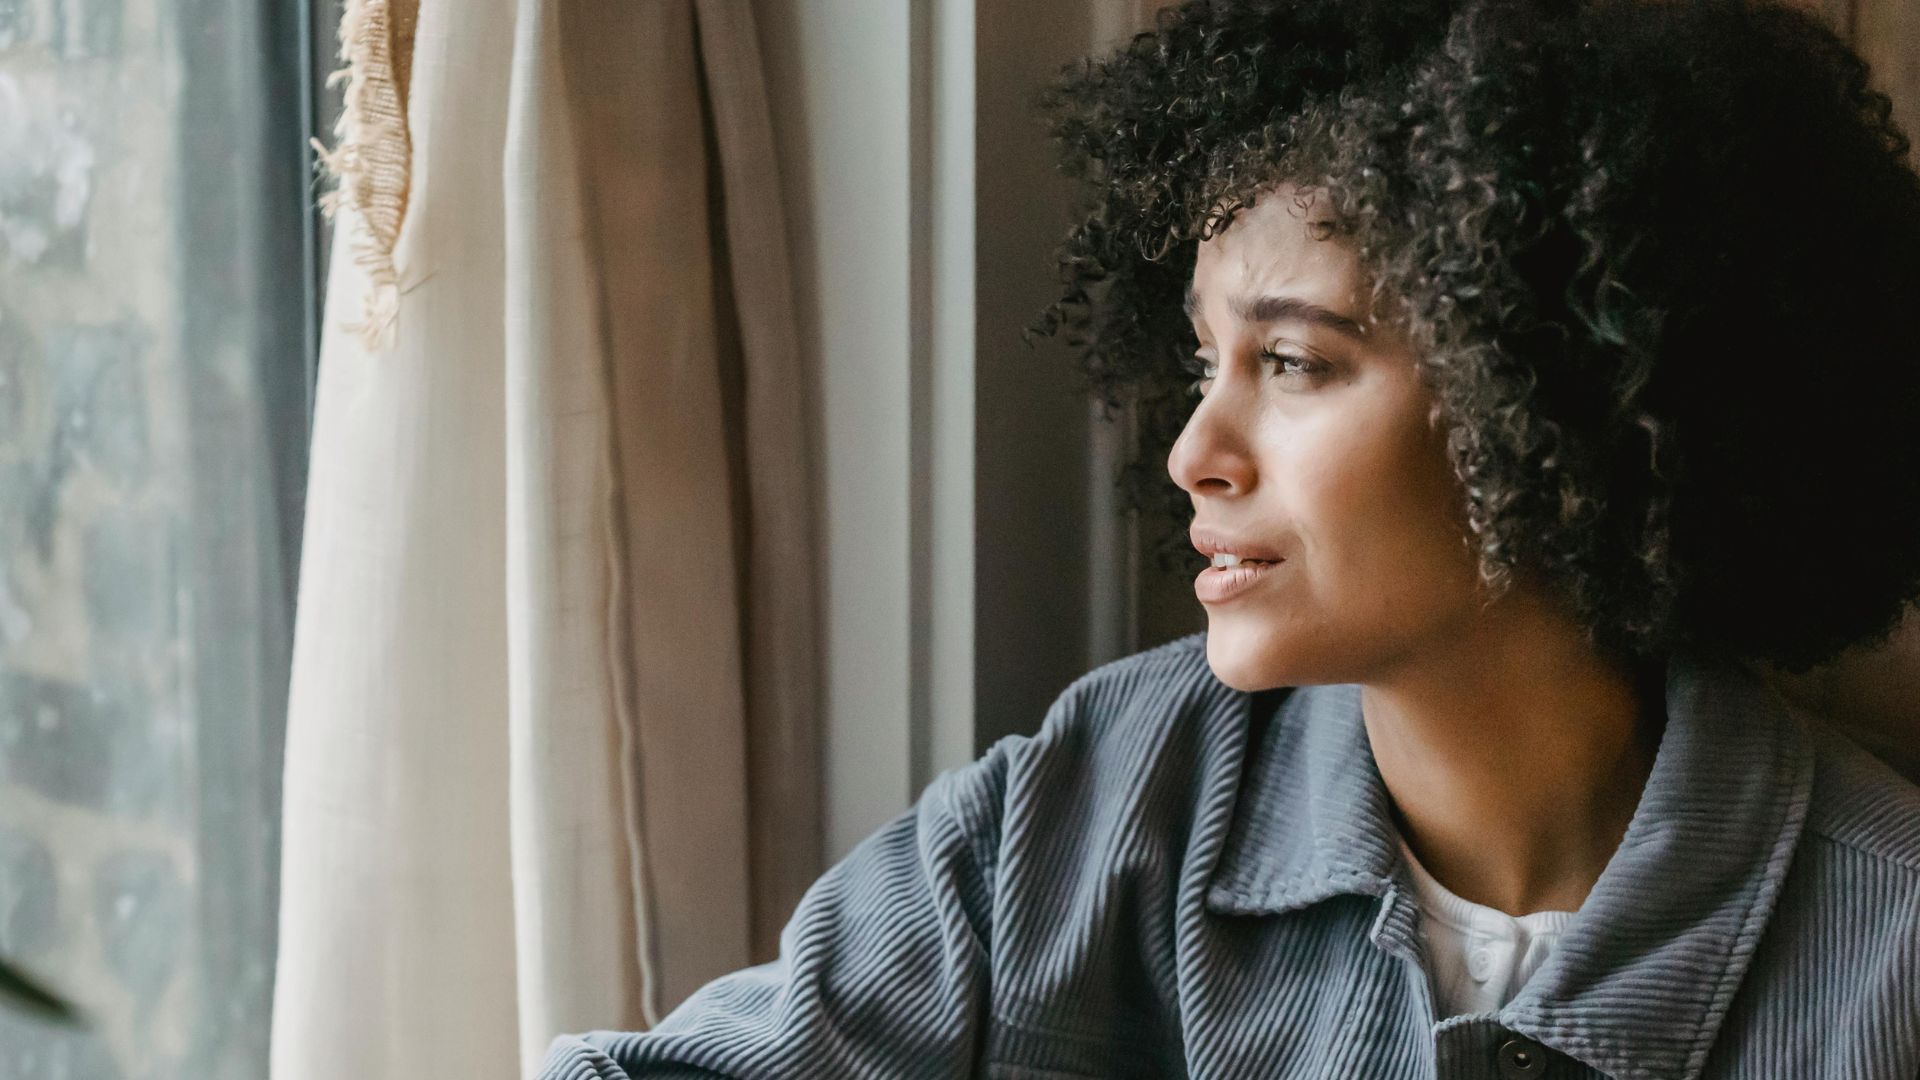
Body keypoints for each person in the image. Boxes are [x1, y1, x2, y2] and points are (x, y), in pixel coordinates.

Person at [540, 0, 1920, 1076]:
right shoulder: (1094, 803)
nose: (1194, 452)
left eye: (1297, 362)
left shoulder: (1890, 952)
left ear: (1563, 399)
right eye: (1205, 362)